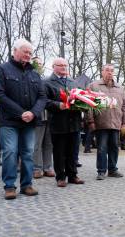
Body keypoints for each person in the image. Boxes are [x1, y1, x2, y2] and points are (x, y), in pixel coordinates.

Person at [0, 38, 47, 199]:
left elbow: (42, 97)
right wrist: (20, 112)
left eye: (30, 52)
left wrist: (33, 113)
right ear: (15, 51)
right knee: (10, 152)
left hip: (29, 122)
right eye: (25, 51)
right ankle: (9, 186)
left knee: (28, 153)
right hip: (9, 121)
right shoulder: (1, 70)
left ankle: (26, 185)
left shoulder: (35, 74)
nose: (28, 55)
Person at [44, 57, 85, 187]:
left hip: (74, 121)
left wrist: (83, 105)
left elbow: (80, 98)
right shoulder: (47, 82)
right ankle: (60, 177)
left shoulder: (73, 82)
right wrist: (58, 105)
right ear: (53, 66)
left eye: (65, 66)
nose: (63, 68)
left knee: (73, 151)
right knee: (59, 151)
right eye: (60, 65)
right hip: (58, 122)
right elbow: (44, 101)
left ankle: (73, 175)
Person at [87, 64, 125, 180]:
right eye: (107, 70)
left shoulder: (120, 88)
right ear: (102, 72)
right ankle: (101, 171)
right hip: (101, 122)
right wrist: (90, 121)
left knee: (115, 147)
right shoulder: (93, 86)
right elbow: (89, 105)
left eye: (112, 71)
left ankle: (113, 169)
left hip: (116, 123)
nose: (109, 72)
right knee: (102, 147)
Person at [32, 57, 55, 179]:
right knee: (37, 143)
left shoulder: (47, 80)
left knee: (49, 143)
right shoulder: (30, 79)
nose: (38, 65)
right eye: (36, 63)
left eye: (40, 63)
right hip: (37, 116)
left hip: (49, 115)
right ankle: (37, 167)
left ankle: (48, 167)